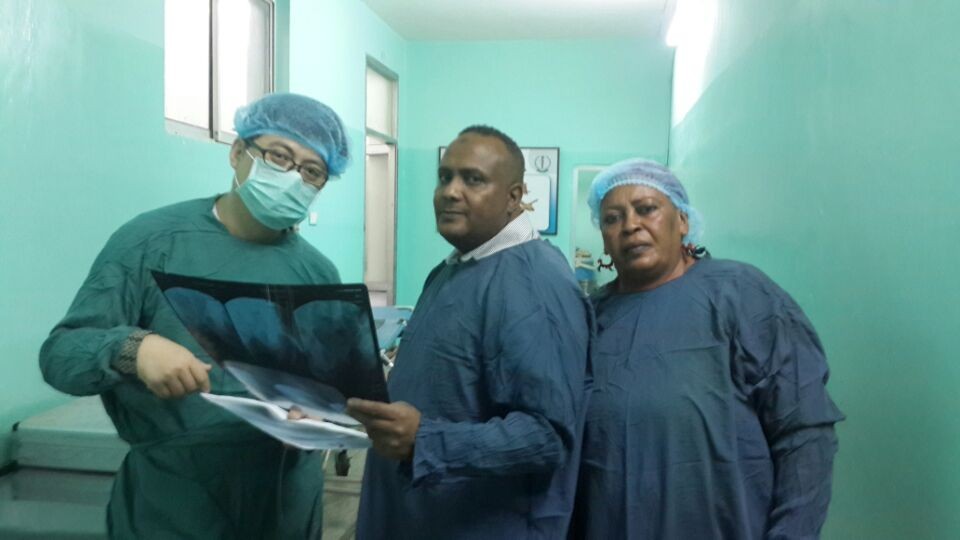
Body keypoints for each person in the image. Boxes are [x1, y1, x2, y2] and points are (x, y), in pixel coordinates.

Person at [39, 92, 350, 539]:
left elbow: (333, 383)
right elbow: (60, 355)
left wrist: (319, 414)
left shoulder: (318, 274)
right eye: (279, 157)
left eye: (311, 171)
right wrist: (134, 349)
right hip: (176, 502)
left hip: (284, 498)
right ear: (238, 152)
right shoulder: (152, 242)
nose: (292, 177)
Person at [570, 158, 845, 539]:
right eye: (612, 218)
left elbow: (804, 431)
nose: (630, 225)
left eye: (646, 209)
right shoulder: (590, 319)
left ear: (682, 221)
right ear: (603, 237)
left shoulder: (741, 294)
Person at [348, 126, 593, 539]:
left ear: (514, 197)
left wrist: (425, 441)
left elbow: (548, 436)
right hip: (415, 515)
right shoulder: (450, 271)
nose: (450, 191)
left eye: (473, 179)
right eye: (445, 177)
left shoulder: (535, 283)